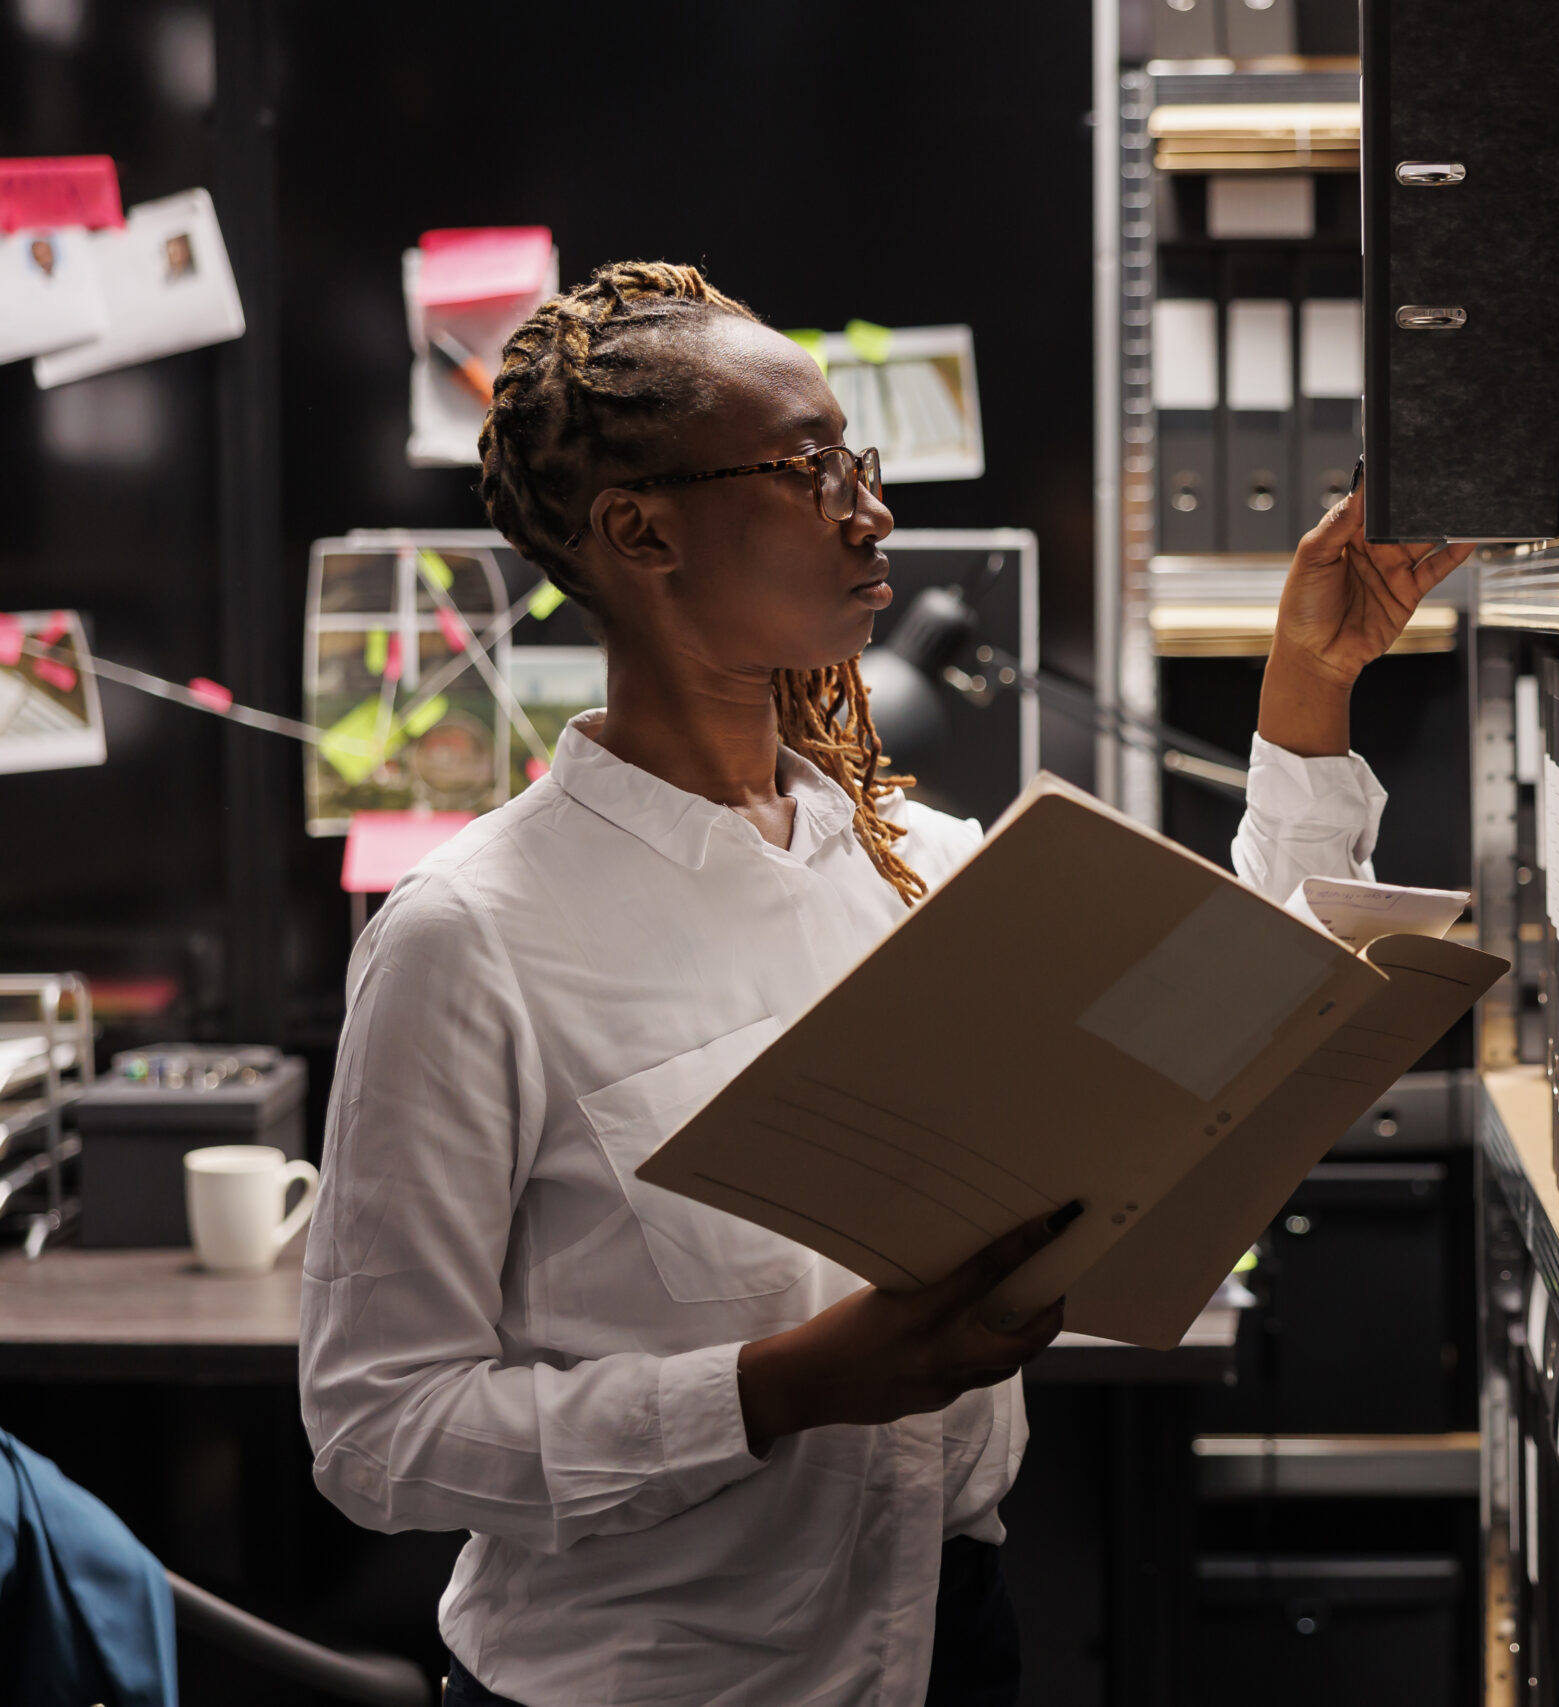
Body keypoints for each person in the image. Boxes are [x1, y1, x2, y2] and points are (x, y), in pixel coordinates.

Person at [296, 261, 1468, 1707]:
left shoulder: (913, 858)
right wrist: (778, 1387)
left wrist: (1307, 681)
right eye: (808, 470)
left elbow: (1223, 1026)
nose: (871, 508)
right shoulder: (469, 934)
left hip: (945, 1648)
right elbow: (376, 1434)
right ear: (638, 529)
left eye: (859, 459)